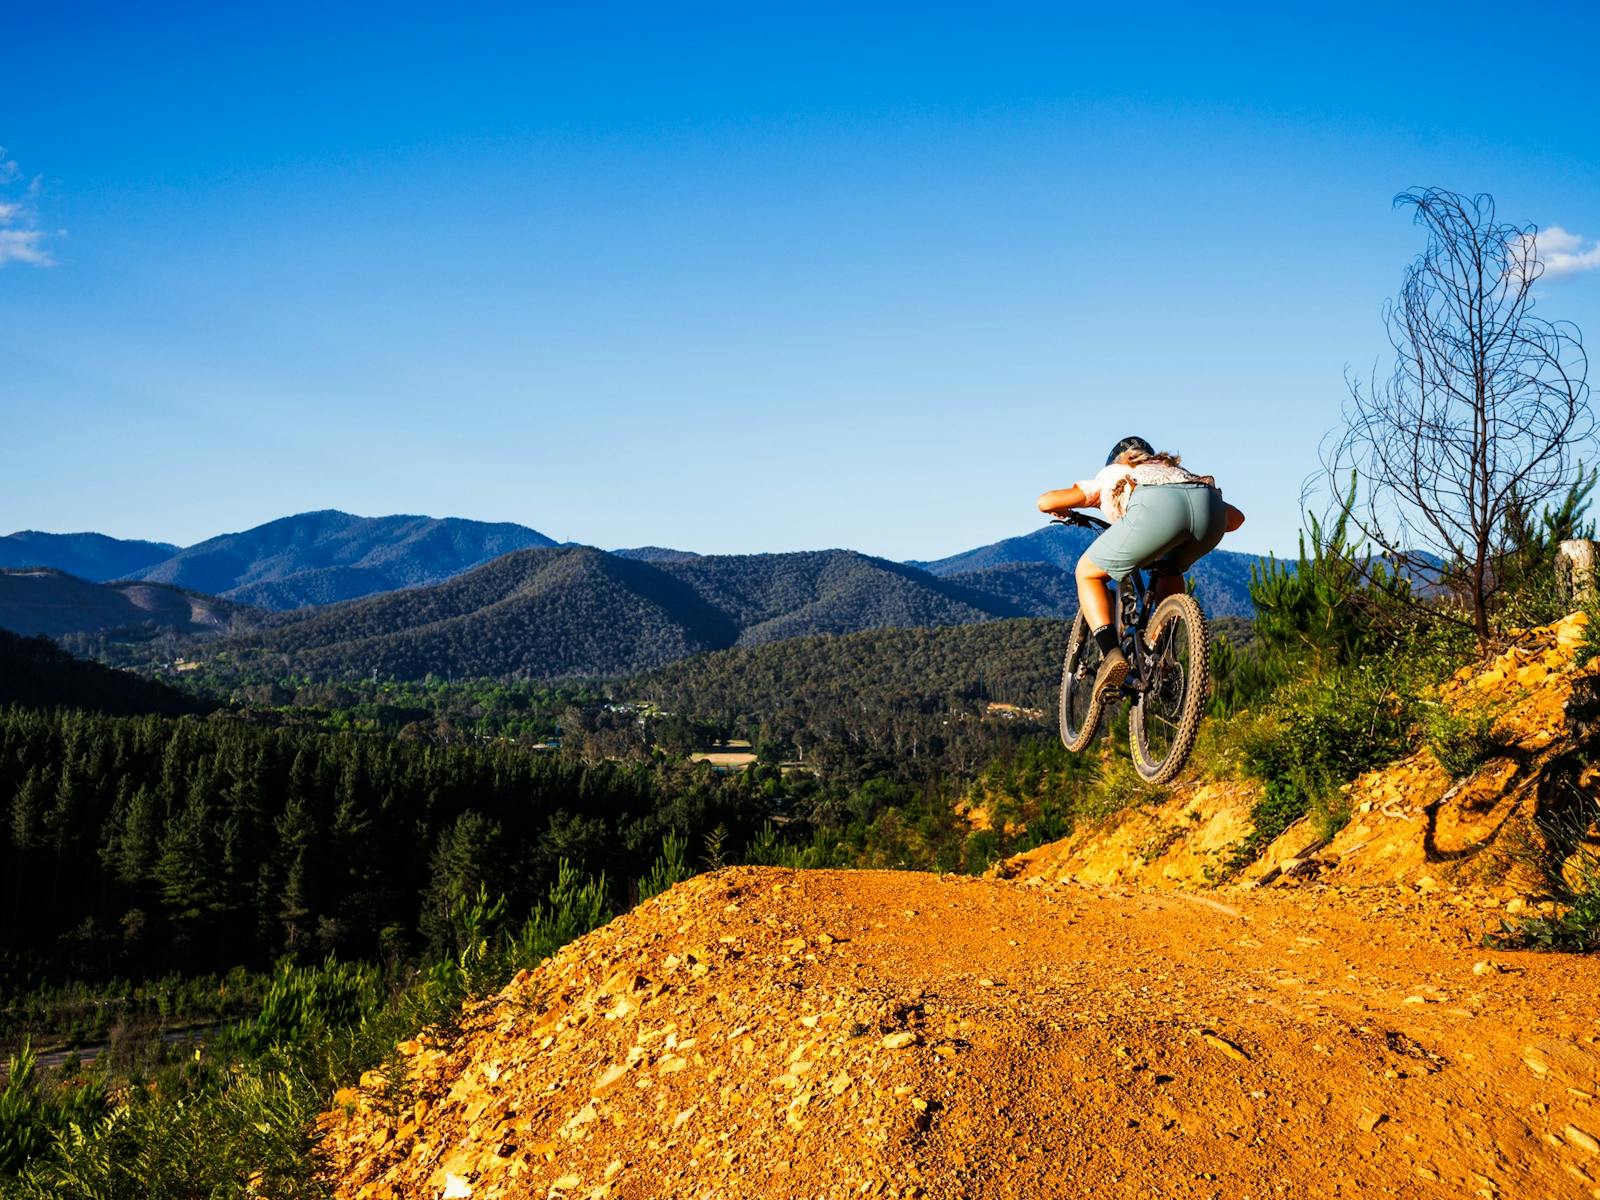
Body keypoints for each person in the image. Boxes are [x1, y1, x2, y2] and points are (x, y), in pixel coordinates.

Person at [1036, 436, 1245, 701]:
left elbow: (1045, 502)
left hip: (1155, 509)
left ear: (1117, 459)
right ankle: (1162, 656)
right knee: (1169, 569)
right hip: (1210, 508)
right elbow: (1236, 520)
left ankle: (1111, 655)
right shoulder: (1169, 469)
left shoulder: (1113, 473)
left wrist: (1066, 511)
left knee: (1087, 573)